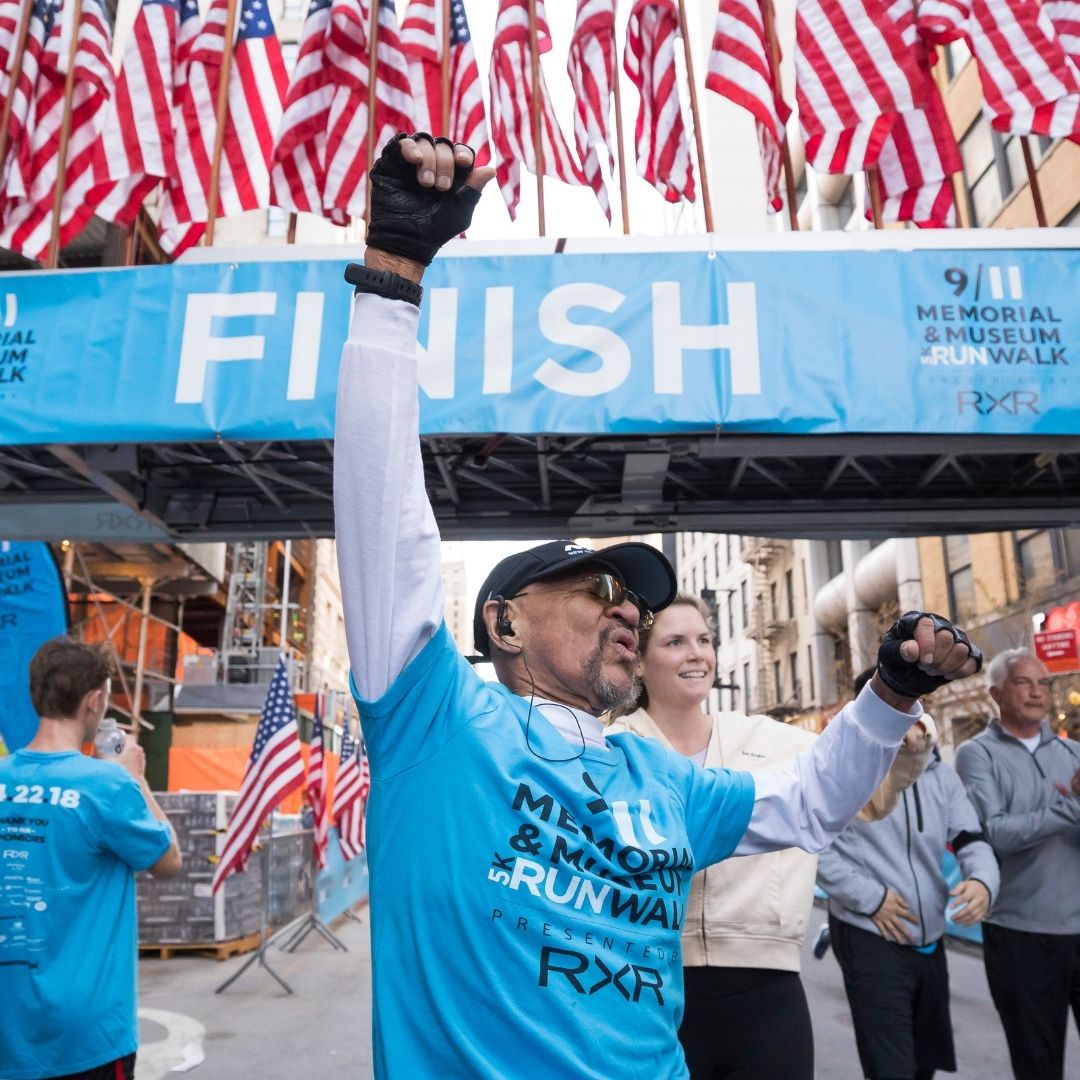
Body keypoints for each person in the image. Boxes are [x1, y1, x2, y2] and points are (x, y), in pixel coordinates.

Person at [333, 132, 982, 1078]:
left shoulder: (661, 778)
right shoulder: (437, 719)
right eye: (595, 591)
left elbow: (809, 805)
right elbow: (384, 515)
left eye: (635, 599)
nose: (628, 611)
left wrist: (888, 691)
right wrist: (392, 283)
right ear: (504, 622)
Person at [607, 600, 935, 1080]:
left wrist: (909, 745)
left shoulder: (774, 739)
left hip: (767, 994)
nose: (696, 654)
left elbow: (869, 798)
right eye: (675, 642)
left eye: (704, 640)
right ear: (638, 660)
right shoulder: (609, 749)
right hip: (643, 991)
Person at [0, 638, 182, 1080]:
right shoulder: (106, 786)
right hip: (89, 1034)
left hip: (9, 1027)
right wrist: (136, 778)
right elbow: (168, 861)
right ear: (94, 701)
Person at [817, 665, 999, 1080]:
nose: (906, 716)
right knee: (891, 1069)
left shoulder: (941, 776)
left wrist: (983, 880)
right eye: (891, 706)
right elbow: (817, 851)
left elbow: (972, 838)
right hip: (869, 936)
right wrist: (872, 898)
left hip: (931, 939)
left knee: (924, 1065)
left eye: (911, 705)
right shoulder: (843, 774)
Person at [955, 648, 1080, 1080]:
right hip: (1021, 934)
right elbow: (994, 833)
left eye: (1043, 683)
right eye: (1023, 682)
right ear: (995, 693)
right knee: (1038, 1066)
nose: (1036, 692)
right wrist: (1072, 806)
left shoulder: (1074, 755)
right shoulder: (976, 755)